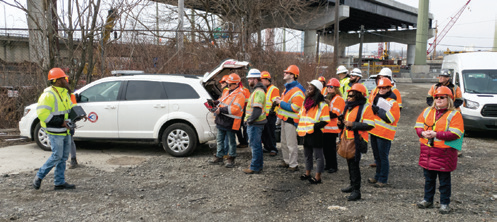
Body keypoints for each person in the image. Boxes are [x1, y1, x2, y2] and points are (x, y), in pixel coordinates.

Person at [414, 86, 464, 214]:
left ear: (449, 99)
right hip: (428, 152)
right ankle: (427, 200)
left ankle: (444, 203)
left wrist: (436, 134)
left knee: (444, 182)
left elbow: (456, 133)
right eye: (437, 97)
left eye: (442, 97)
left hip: (444, 153)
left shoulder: (455, 114)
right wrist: (422, 133)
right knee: (429, 179)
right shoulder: (427, 111)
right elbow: (418, 125)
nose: (439, 99)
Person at [32, 68, 77, 190]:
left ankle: (59, 182)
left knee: (63, 157)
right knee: (57, 156)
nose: (66, 80)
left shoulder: (64, 93)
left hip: (65, 130)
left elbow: (68, 111)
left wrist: (77, 116)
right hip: (55, 131)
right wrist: (60, 122)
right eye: (63, 78)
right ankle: (39, 176)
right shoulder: (48, 95)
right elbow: (42, 114)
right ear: (57, 80)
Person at [338, 83, 375, 201]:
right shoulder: (348, 106)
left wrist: (353, 124)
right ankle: (352, 185)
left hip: (357, 140)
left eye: (351, 95)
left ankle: (356, 191)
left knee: (354, 165)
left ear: (358, 96)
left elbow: (370, 125)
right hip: (347, 139)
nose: (348, 97)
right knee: (350, 163)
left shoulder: (366, 107)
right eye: (348, 95)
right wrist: (341, 123)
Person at [367, 78, 400, 188]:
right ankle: (377, 177)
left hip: (385, 134)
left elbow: (390, 118)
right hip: (375, 131)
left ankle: (383, 179)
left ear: (389, 88)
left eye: (384, 87)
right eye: (380, 87)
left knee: (383, 157)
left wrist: (377, 110)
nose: (381, 89)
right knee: (377, 157)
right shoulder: (377, 99)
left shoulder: (393, 103)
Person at [208, 73, 246, 168]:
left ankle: (231, 158)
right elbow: (222, 101)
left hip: (231, 122)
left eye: (230, 84)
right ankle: (219, 156)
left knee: (231, 141)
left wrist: (220, 110)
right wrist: (215, 103)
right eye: (227, 84)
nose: (228, 86)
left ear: (236, 84)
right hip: (222, 120)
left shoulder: (240, 94)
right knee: (220, 140)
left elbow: (235, 109)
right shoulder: (227, 92)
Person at [297, 80, 330, 184]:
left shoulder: (322, 105)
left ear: (316, 91)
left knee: (318, 156)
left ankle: (317, 177)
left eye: (311, 89)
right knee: (307, 155)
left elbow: (325, 120)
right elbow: (301, 117)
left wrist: (313, 127)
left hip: (316, 133)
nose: (308, 90)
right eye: (308, 88)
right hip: (305, 133)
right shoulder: (305, 103)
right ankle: (307, 173)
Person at [368, 67, 403, 168]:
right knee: (378, 154)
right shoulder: (376, 90)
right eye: (379, 77)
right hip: (375, 127)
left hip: (384, 129)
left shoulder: (394, 92)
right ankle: (378, 168)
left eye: (383, 77)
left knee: (383, 155)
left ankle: (382, 176)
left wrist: (379, 110)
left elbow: (396, 111)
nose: (381, 79)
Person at [275, 65, 305, 171]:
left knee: (291, 144)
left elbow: (295, 108)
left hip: (291, 121)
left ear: (293, 75)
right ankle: (287, 161)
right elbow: (286, 102)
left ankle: (293, 164)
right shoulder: (288, 88)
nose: (284, 74)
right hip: (285, 120)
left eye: (287, 72)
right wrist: (280, 100)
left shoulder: (297, 90)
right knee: (284, 143)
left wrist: (280, 102)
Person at [242, 69, 267, 174]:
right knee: (257, 145)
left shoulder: (258, 92)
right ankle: (258, 165)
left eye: (250, 79)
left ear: (255, 79)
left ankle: (255, 167)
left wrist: (249, 120)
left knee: (255, 146)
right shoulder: (258, 91)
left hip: (255, 123)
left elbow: (256, 110)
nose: (248, 81)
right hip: (257, 123)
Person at [322, 78, 345, 174]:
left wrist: (325, 107)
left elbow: (334, 114)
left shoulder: (338, 99)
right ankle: (328, 165)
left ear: (336, 88)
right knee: (325, 149)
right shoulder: (328, 97)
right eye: (328, 87)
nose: (329, 88)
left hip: (332, 128)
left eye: (331, 87)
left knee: (331, 149)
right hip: (325, 128)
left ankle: (333, 166)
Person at [260, 71, 280, 156]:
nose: (261, 82)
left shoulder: (273, 89)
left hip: (270, 115)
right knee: (264, 132)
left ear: (267, 80)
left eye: (262, 80)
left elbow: (276, 102)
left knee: (270, 132)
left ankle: (273, 148)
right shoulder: (263, 89)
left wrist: (273, 111)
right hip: (263, 115)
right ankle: (267, 147)